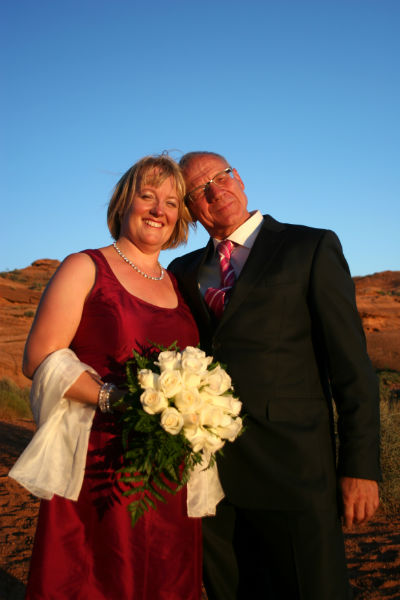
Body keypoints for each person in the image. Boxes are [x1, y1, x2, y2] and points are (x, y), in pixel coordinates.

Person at [168, 151, 381, 600]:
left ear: (239, 178)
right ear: (190, 208)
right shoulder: (182, 272)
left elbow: (351, 366)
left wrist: (360, 467)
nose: (215, 191)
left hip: (296, 472)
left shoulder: (310, 247)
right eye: (199, 189)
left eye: (222, 176)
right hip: (214, 478)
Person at [18, 155, 202, 600]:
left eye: (171, 202)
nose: (158, 210)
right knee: (97, 577)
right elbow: (39, 357)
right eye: (147, 196)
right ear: (123, 203)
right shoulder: (84, 267)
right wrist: (114, 399)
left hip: (169, 470)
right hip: (98, 462)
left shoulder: (179, 285)